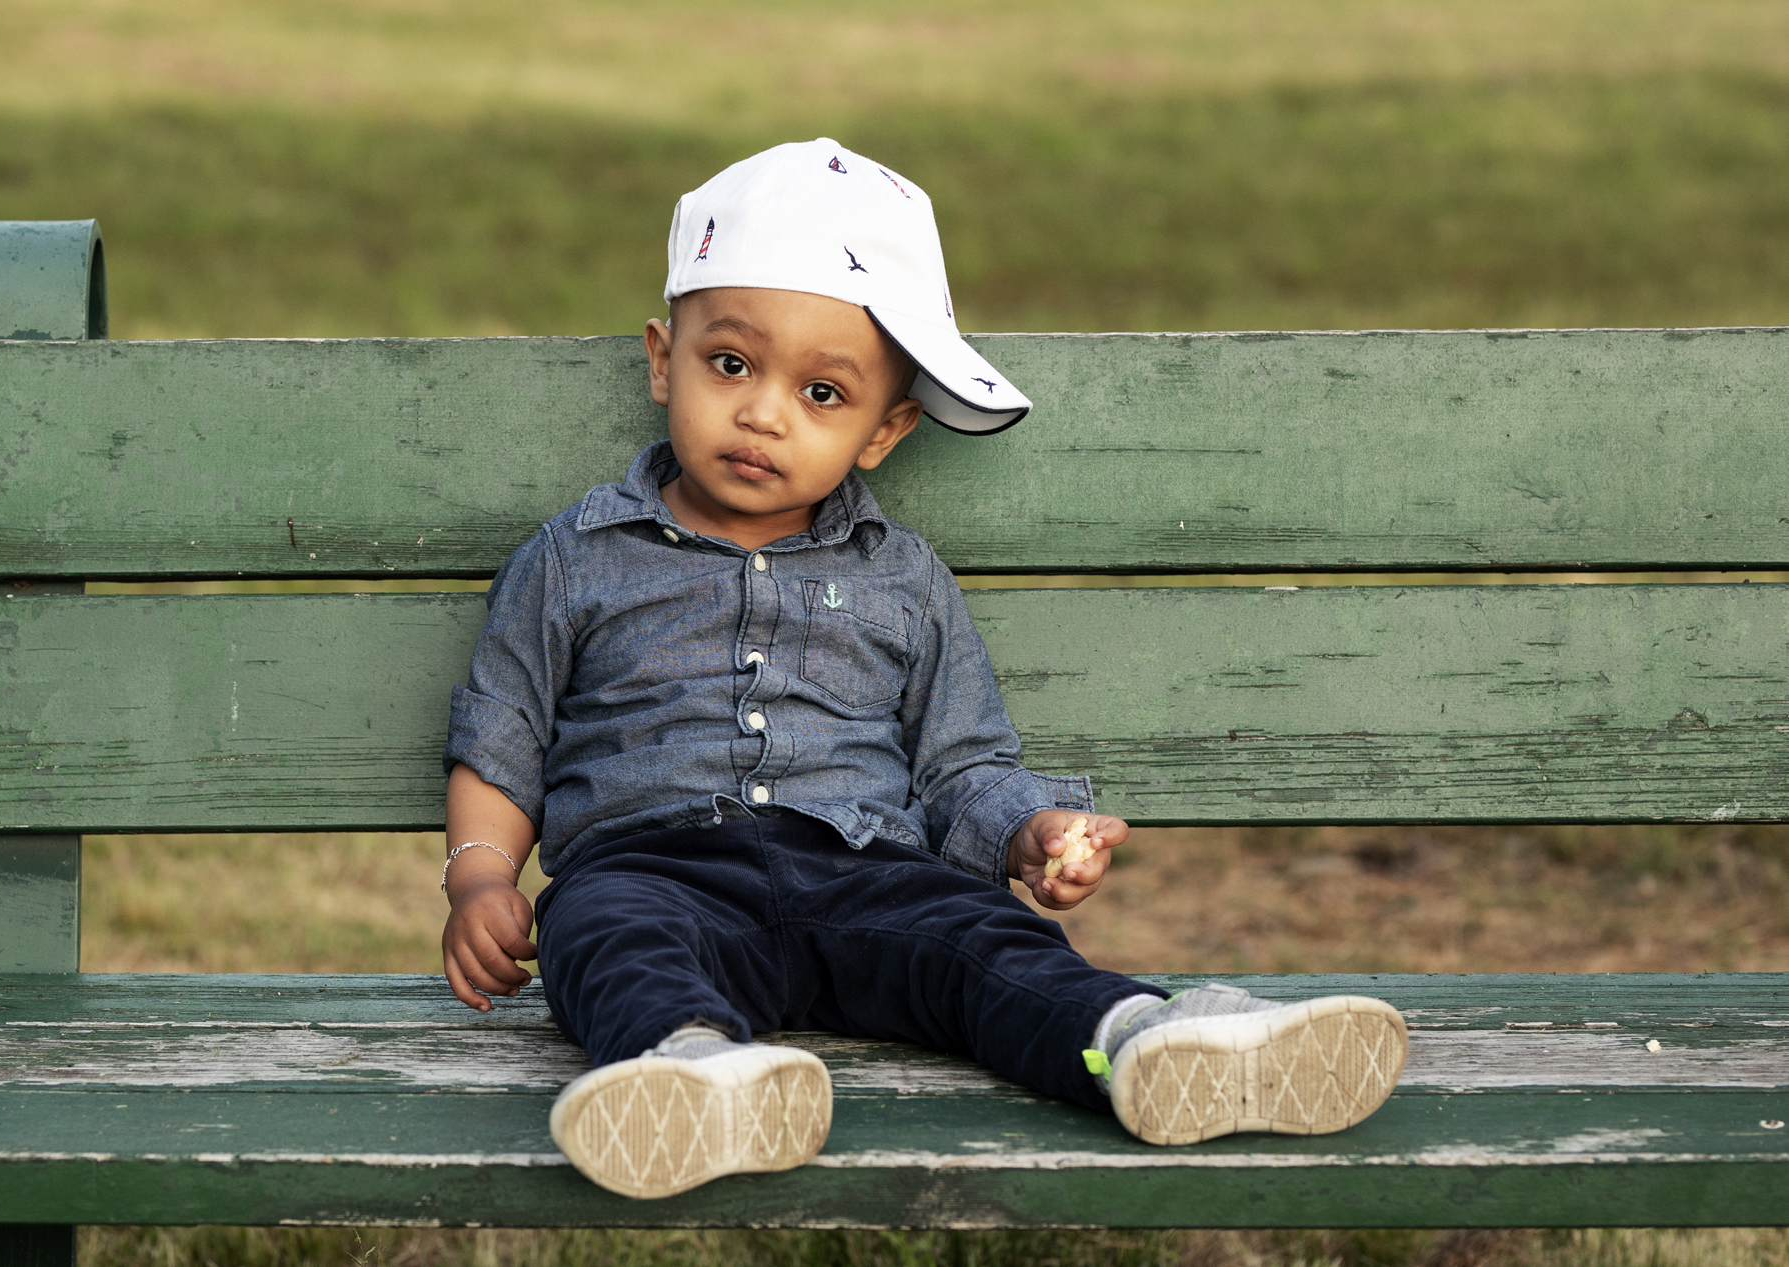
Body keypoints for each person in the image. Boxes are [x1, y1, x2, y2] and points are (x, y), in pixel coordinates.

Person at [438, 139, 1406, 1200]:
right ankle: (691, 1075)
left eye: (819, 392)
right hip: (655, 869)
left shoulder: (901, 578)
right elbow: (506, 730)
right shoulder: (576, 557)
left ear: (883, 430)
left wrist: (1033, 831)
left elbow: (961, 763)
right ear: (663, 357)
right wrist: (482, 874)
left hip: (865, 871)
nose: (763, 412)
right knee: (603, 935)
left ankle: (1139, 1038)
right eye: (730, 365)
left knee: (978, 941)